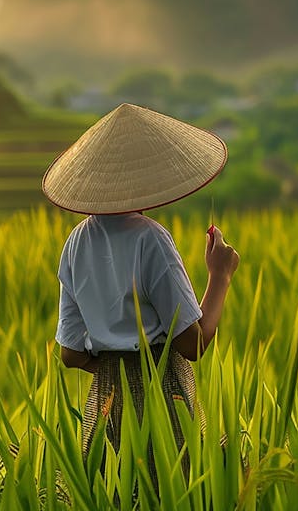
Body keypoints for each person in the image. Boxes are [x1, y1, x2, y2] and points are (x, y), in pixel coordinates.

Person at [42, 102, 240, 488]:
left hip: (103, 410)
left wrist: (116, 366)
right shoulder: (150, 238)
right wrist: (220, 276)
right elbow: (192, 344)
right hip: (163, 402)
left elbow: (70, 354)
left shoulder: (75, 243)